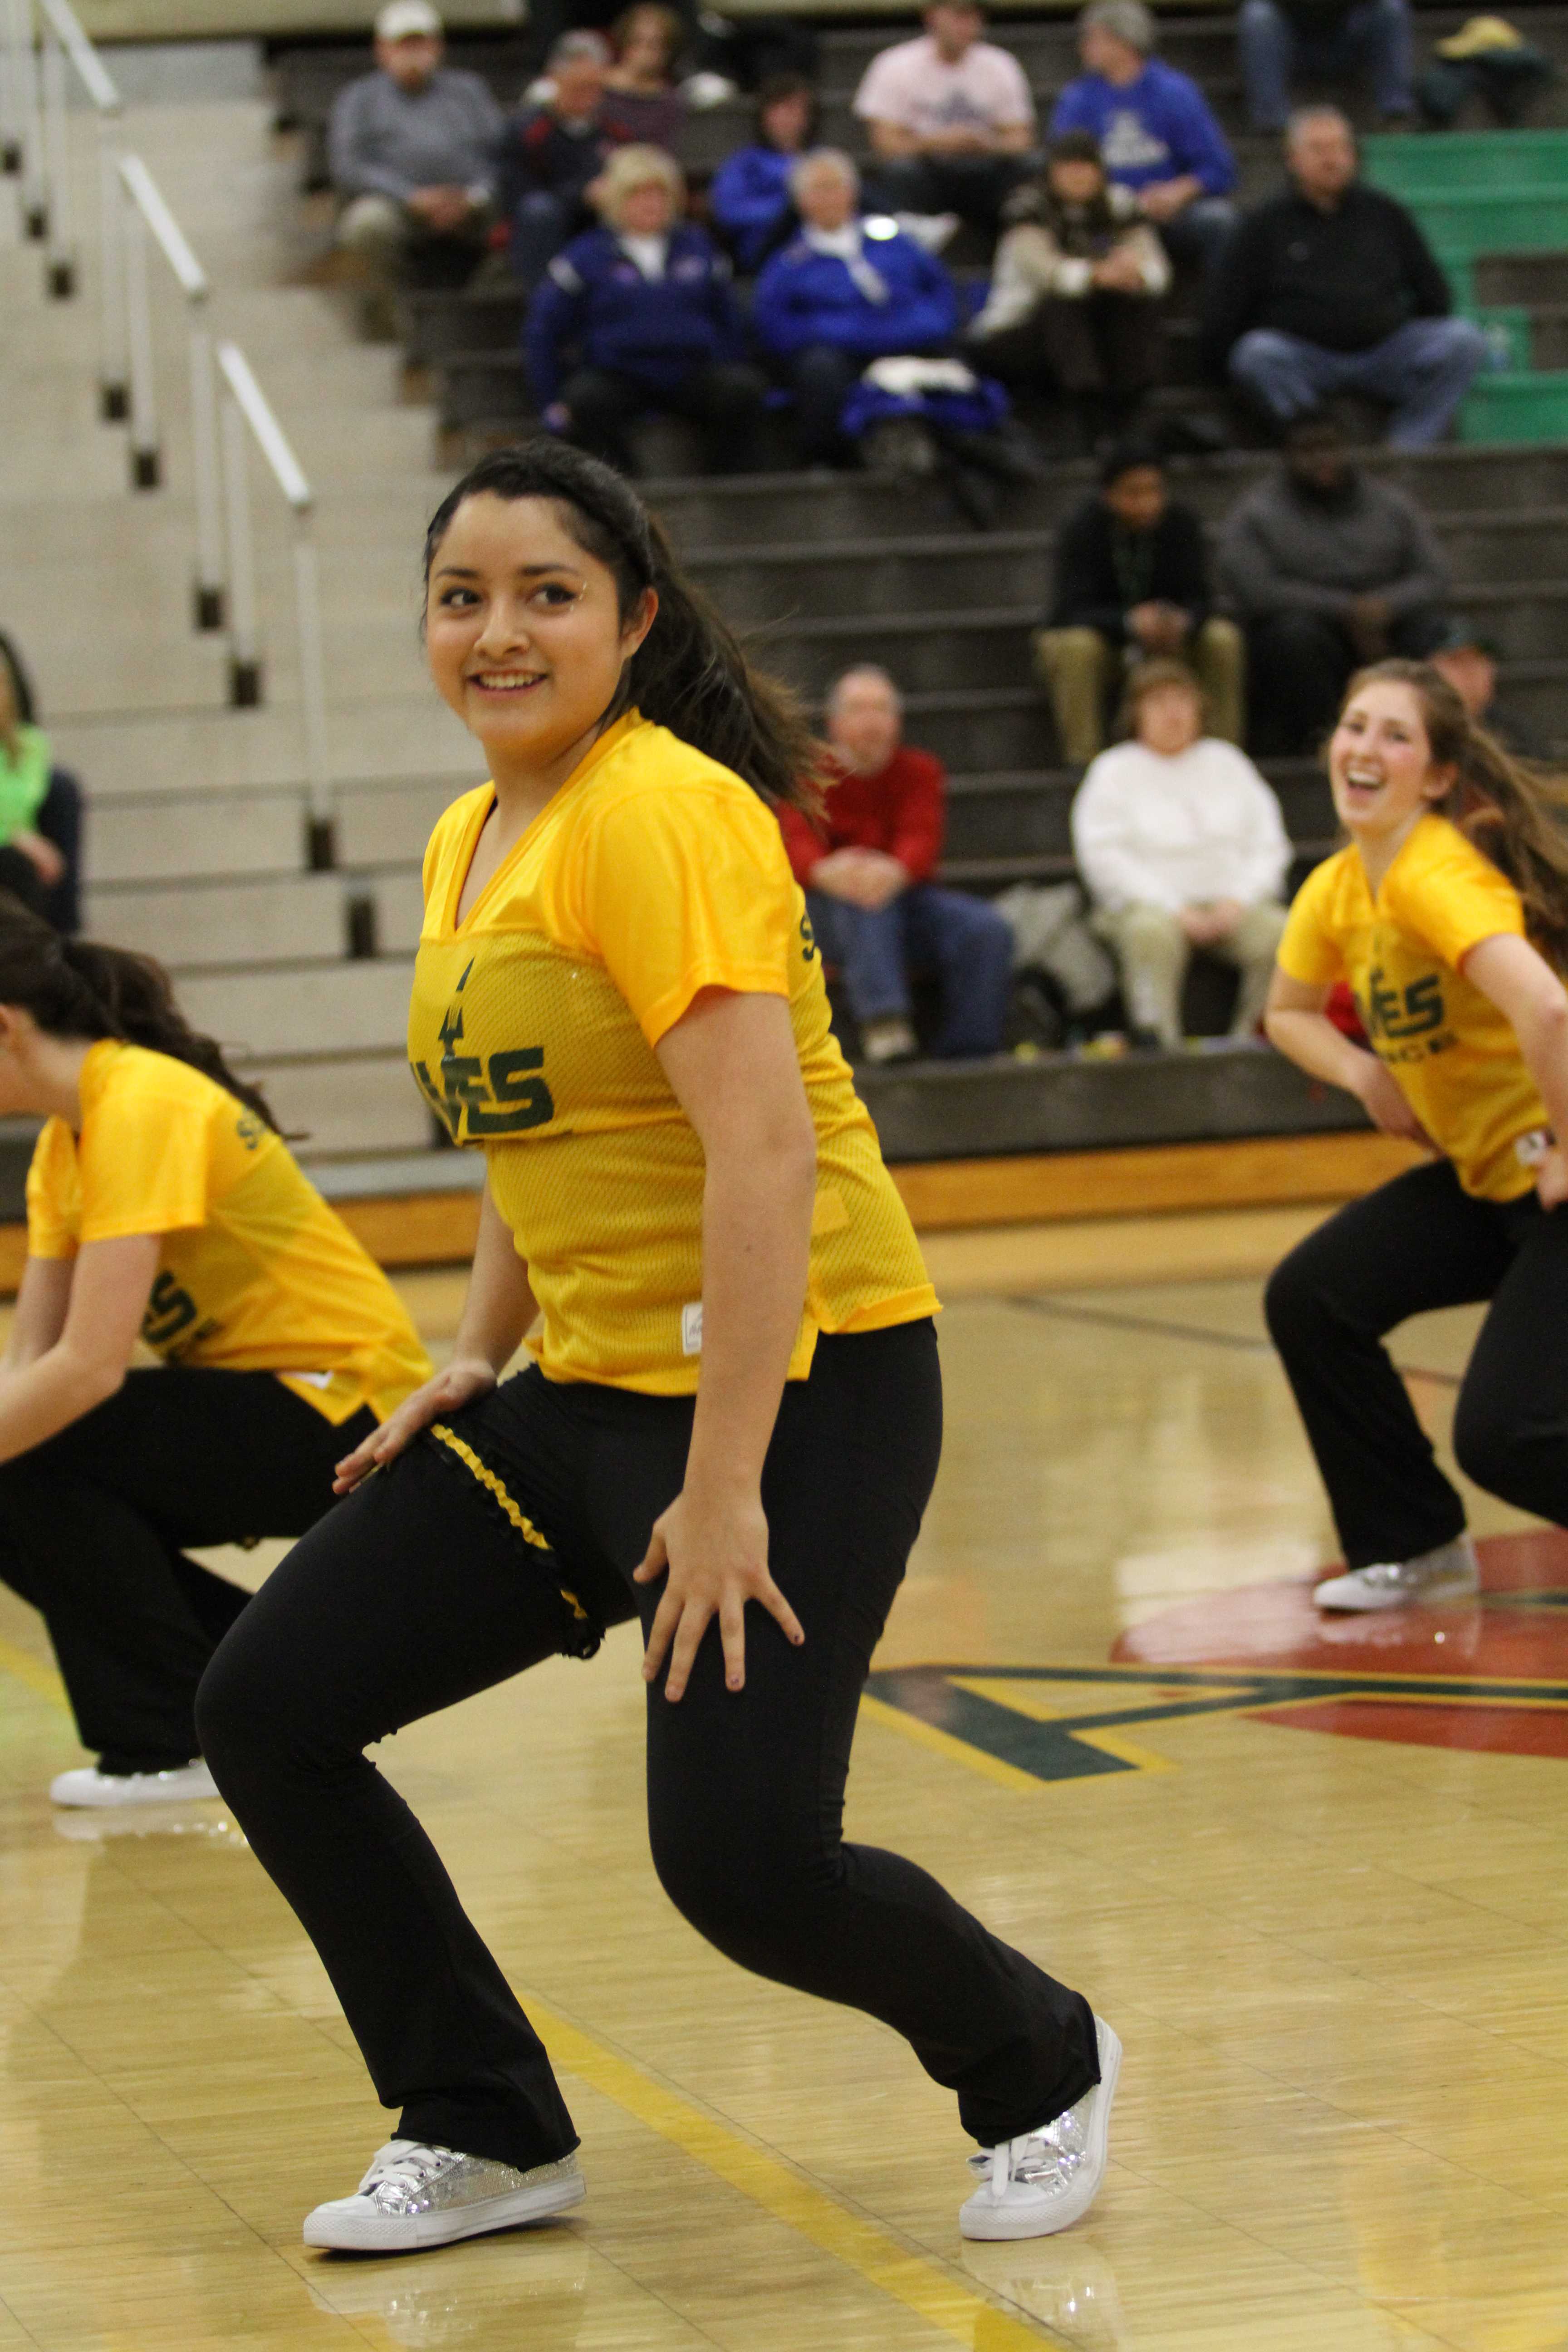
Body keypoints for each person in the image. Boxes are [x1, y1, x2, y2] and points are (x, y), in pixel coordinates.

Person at [193, 441, 1118, 2255]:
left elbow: (759, 1151)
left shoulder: (663, 812)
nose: (501, 631)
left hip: (808, 1388)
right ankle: (483, 2120)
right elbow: (535, 1129)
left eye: (548, 594)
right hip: (592, 1386)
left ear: (635, 618)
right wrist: (477, 1351)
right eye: (464, 597)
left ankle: (1044, 2053)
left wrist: (722, 1491)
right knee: (266, 1704)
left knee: (747, 1869)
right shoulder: (480, 830)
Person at [0, 897, 431, 1808]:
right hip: (275, 1401)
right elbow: (30, 1365)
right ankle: (270, 1692)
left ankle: (168, 1742)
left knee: (42, 1450)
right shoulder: (62, 1145)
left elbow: (87, 1368)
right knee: (24, 1461)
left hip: (353, 1410)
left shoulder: (140, 1102)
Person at [1264, 660, 1568, 1611]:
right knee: (1314, 1299)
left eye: (1396, 735)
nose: (1364, 748)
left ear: (1436, 777)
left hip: (1552, 1176)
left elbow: (1550, 1011)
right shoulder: (1341, 886)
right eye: (1355, 726)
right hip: (1491, 1183)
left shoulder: (1438, 877)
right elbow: (1288, 1011)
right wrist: (1363, 1072)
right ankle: (1416, 1543)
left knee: (1506, 1434)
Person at [1203, 108, 1490, 451]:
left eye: (1340, 148)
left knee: (1464, 341)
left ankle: (1406, 447)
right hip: (1303, 359)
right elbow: (1226, 307)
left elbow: (1432, 291)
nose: (1332, 160)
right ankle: (1319, 443)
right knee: (1255, 355)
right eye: (1319, 149)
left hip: (1385, 353)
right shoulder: (1262, 224)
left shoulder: (1385, 213)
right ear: (1293, 159)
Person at [778, 666, 1014, 1062]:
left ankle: (972, 1048)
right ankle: (883, 1023)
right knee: (867, 902)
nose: (871, 721)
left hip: (906, 899)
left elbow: (922, 841)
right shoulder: (806, 773)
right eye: (859, 709)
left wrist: (891, 873)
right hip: (825, 911)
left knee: (986, 929)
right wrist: (834, 873)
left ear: (897, 721)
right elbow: (795, 845)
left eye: (881, 709)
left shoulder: (921, 770)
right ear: (834, 722)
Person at [1072, 659, 1289, 1048]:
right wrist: (1173, 908)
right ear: (1135, 713)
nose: (1172, 712)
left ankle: (1255, 1039)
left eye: (1182, 700)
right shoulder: (1112, 770)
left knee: (1286, 932)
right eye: (1158, 701)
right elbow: (1104, 858)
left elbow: (1270, 845)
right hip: (1149, 907)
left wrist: (1239, 899)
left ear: (1200, 708)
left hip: (1232, 904)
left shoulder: (1229, 762)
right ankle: (1158, 1044)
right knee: (1149, 933)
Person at [526, 145, 765, 475]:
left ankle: (719, 484)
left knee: (742, 391)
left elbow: (729, 320)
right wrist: (549, 400)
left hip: (691, 371)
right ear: (617, 200)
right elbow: (544, 329)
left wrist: (729, 358)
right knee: (586, 401)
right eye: (638, 194)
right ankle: (624, 489)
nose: (651, 203)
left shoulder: (699, 247)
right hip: (619, 375)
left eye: (659, 194)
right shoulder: (585, 256)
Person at [1219, 417, 1450, 756]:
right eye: (1309, 451)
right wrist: (1345, 609)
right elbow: (1257, 589)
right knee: (1290, 638)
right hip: (1312, 627)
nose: (1322, 460)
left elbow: (1434, 575)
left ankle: (1427, 736)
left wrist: (1386, 607)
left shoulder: (1391, 505)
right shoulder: (1257, 513)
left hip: (1386, 620)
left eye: (1331, 448)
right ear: (1287, 456)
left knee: (1434, 633)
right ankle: (1324, 743)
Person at [1034, 444, 1244, 764]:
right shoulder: (1081, 530)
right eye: (1133, 493)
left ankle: (1223, 756)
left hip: (1171, 643)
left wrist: (1181, 621)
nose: (1146, 503)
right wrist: (1129, 622)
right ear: (1108, 495)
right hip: (1109, 644)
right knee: (1072, 647)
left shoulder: (1182, 524)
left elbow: (1204, 599)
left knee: (1222, 638)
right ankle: (1084, 761)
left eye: (1154, 491)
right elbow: (1067, 610)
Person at [752, 150, 958, 465]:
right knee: (818, 371)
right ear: (801, 201)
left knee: (955, 351)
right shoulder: (789, 261)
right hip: (843, 353)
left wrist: (925, 322)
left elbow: (940, 288)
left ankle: (962, 446)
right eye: (819, 189)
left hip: (910, 336)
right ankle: (836, 460)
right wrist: (837, 331)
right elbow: (775, 323)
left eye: (837, 186)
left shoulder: (892, 240)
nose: (831, 197)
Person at [967, 131, 1168, 451]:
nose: (1078, 176)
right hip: (1021, 328)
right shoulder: (1028, 208)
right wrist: (1096, 275)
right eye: (1068, 167)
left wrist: (1135, 273)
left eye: (1086, 166)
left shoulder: (1120, 204)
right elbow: (1045, 274)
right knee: (1064, 306)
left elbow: (1156, 271)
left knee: (1132, 304)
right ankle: (1090, 419)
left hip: (1093, 328)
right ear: (1052, 171)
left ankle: (1131, 413)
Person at [328, 0, 504, 327]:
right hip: (400, 207)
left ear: (438, 46)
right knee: (366, 225)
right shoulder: (359, 99)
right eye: (402, 45)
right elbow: (348, 166)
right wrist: (410, 197)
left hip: (471, 204)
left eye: (420, 43)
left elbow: (501, 154)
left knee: (526, 212)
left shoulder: (470, 92)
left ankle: (483, 319)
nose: (412, 54)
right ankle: (400, 319)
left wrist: (473, 197)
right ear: (382, 49)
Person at [1050, 0, 1237, 274]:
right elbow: (1059, 169)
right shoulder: (1077, 100)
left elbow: (1219, 168)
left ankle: (1222, 314)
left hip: (1167, 215)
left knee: (1219, 221)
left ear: (1124, 41)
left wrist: (1176, 193)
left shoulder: (1175, 93)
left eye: (1093, 38)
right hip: (1103, 217)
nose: (1083, 47)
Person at [853, 0, 1035, 242]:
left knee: (1031, 167)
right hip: (928, 173)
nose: (968, 25)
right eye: (959, 15)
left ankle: (1013, 241)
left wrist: (987, 144)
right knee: (900, 171)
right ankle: (913, 244)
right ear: (931, 16)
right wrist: (937, 143)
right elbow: (884, 143)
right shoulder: (895, 64)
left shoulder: (1001, 64)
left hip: (984, 170)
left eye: (975, 16)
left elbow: (1022, 138)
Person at [495, 33, 637, 294]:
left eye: (595, 87)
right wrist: (582, 195)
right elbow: (516, 199)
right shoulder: (527, 131)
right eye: (579, 87)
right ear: (554, 80)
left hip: (604, 224)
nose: (589, 96)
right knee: (538, 213)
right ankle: (546, 305)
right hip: (547, 229)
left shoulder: (618, 132)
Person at [0, 632, 78, 931]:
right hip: (18, 847)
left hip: (18, 858)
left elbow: (23, 800)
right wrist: (15, 836)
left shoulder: (28, 744)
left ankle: (57, 950)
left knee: (19, 867)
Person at [1239, 0, 1416, 133]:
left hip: (1348, 35)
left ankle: (1395, 112)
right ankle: (1272, 123)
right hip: (1292, 40)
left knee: (1391, 8)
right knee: (1258, 16)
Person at [708, 73, 817, 273]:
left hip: (822, 257)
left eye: (794, 109)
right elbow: (728, 212)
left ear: (808, 115)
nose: (787, 117)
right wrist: (791, 210)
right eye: (778, 108)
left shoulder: (822, 161)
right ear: (764, 115)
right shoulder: (744, 164)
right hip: (768, 260)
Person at [1430, 618, 1541, 760]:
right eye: (1457, 661)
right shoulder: (1420, 735)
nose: (1471, 671)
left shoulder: (1516, 739)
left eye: (1480, 660)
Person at [602, 2, 686, 150]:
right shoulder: (596, 89)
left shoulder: (670, 102)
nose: (644, 52)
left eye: (653, 45)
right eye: (637, 41)